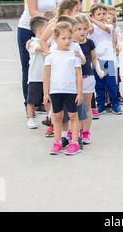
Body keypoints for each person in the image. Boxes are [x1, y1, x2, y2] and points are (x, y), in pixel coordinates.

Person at [17, 0, 61, 109]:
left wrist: (54, 22)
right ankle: (30, 102)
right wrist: (49, 18)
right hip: (28, 29)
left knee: (46, 65)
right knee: (28, 65)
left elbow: (57, 12)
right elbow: (33, 12)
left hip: (47, 31)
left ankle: (44, 101)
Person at [43, 22, 83, 155]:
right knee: (57, 116)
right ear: (55, 39)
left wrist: (79, 92)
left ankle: (74, 142)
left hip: (71, 91)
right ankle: (57, 142)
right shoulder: (50, 55)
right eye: (63, 38)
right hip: (55, 91)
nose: (67, 41)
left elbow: (78, 75)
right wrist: (45, 93)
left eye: (69, 38)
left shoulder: (74, 54)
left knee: (73, 115)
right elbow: (47, 75)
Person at [72, 14, 105, 145]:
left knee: (86, 107)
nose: (82, 32)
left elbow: (94, 59)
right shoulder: (70, 44)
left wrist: (99, 70)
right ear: (73, 30)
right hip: (73, 79)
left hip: (88, 78)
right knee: (74, 107)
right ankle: (74, 131)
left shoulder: (90, 43)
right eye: (78, 29)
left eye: (85, 29)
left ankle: (85, 132)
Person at [88, 3, 123, 115]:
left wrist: (92, 20)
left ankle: (115, 104)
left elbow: (105, 28)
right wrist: (89, 21)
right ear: (92, 15)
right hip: (96, 60)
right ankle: (100, 105)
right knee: (99, 84)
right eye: (99, 14)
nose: (102, 16)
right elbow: (87, 30)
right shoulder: (91, 28)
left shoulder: (110, 26)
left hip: (109, 59)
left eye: (104, 13)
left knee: (111, 84)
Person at [25, 16, 49, 129]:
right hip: (35, 76)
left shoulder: (48, 42)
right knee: (32, 100)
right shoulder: (32, 43)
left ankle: (50, 117)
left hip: (47, 77)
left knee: (48, 98)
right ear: (39, 30)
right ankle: (30, 118)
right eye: (47, 27)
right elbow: (40, 48)